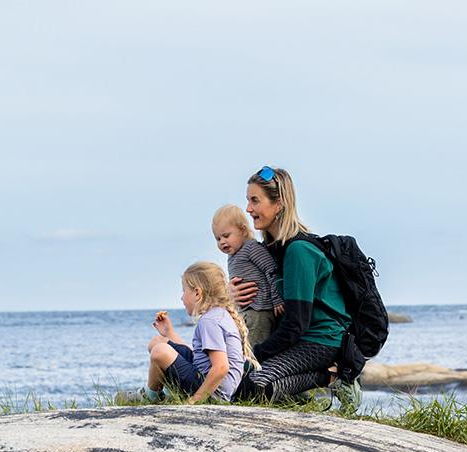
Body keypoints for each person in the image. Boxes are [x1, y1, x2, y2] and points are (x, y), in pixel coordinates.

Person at [237, 166, 353, 401]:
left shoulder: (299, 251)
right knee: (240, 382)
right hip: (298, 339)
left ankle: (331, 377)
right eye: (248, 200)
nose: (248, 209)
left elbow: (295, 324)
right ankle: (298, 395)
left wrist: (255, 354)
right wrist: (231, 295)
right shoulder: (272, 250)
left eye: (255, 201)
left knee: (249, 388)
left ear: (278, 204)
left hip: (322, 340)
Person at [144, 261, 258, 404]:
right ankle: (165, 393)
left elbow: (221, 367)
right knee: (157, 341)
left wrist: (195, 401)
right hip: (207, 381)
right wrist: (169, 333)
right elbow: (199, 357)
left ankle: (151, 397)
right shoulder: (219, 314)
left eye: (184, 291)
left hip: (213, 393)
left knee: (159, 351)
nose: (181, 297)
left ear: (197, 293)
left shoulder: (209, 321)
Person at [212, 204, 279, 346]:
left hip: (260, 309)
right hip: (246, 312)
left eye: (226, 236)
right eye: (218, 239)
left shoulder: (251, 247)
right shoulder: (233, 255)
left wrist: (277, 298)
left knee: (254, 348)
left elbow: (271, 270)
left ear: (242, 230)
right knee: (244, 346)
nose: (222, 242)